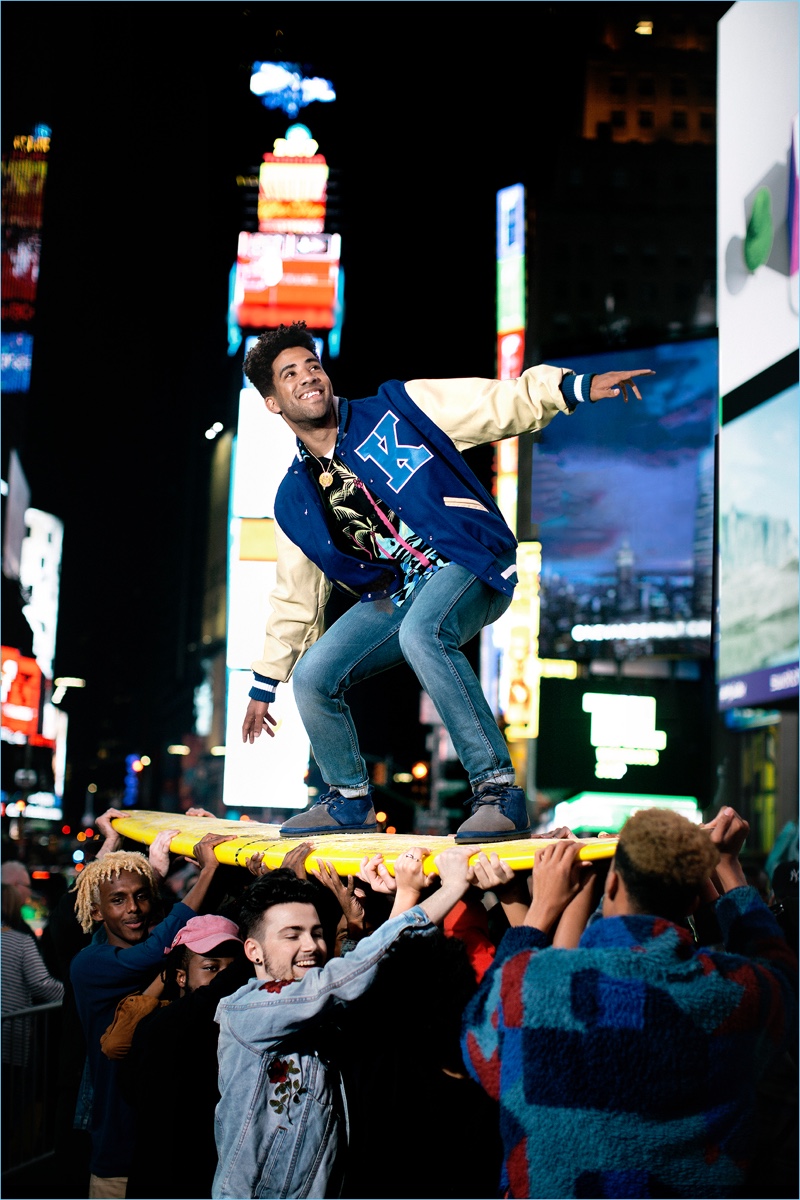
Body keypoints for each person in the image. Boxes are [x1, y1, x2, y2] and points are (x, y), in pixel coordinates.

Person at [240, 321, 654, 843]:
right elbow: (296, 596)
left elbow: (495, 402)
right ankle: (348, 800)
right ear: (273, 402)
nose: (308, 378)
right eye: (290, 374)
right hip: (400, 591)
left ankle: (498, 790)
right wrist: (264, 683)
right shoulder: (293, 499)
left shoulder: (398, 409)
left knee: (423, 634)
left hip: (469, 557)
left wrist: (572, 387)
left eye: (313, 365)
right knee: (314, 676)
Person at [461, 806, 799, 1199]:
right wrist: (728, 866)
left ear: (613, 884)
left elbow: (477, 1038)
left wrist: (540, 911)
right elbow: (781, 972)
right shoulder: (733, 996)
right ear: (692, 901)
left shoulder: (534, 985)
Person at [212, 845, 475, 1200]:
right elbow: (341, 980)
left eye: (317, 933)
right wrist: (452, 888)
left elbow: (366, 974)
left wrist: (406, 895)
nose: (311, 946)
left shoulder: (320, 1013)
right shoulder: (246, 1011)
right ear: (253, 951)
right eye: (292, 935)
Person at [70, 832, 233, 1200]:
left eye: (141, 896)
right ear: (97, 912)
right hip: (119, 1153)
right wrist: (207, 869)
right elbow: (153, 950)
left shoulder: (154, 954)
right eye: (118, 900)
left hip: (168, 1148)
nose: (133, 908)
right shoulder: (90, 964)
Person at [118, 915, 251, 1200]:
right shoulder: (163, 1027)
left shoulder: (246, 1034)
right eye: (211, 968)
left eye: (230, 968)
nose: (223, 979)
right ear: (181, 977)